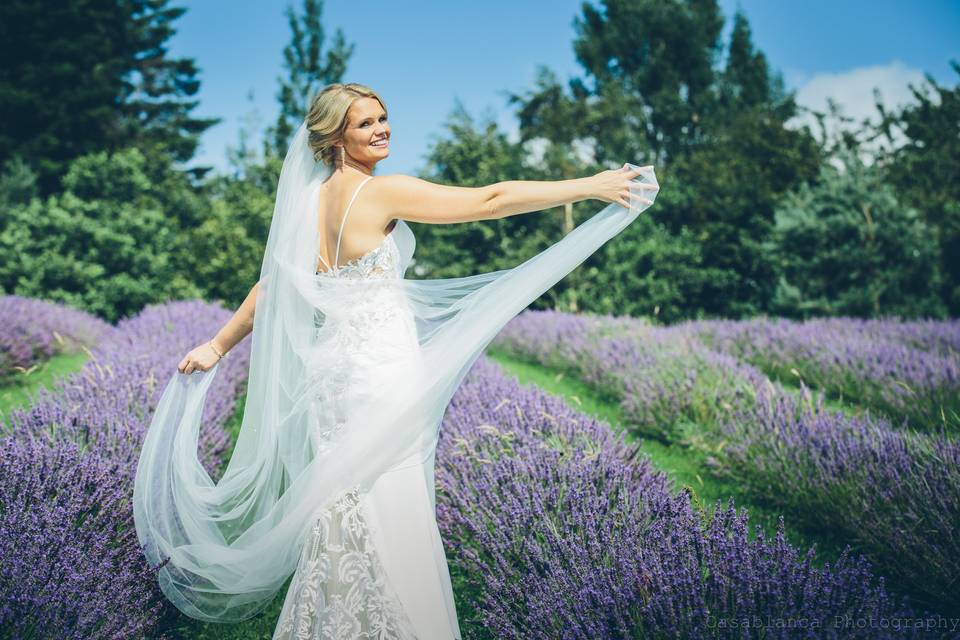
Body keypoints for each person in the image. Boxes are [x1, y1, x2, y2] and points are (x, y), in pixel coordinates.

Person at [133, 82, 659, 639]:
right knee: (394, 499)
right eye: (365, 123)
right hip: (382, 368)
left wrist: (218, 345)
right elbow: (490, 200)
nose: (382, 129)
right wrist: (590, 186)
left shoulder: (308, 206)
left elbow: (272, 287)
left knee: (346, 502)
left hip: (334, 376)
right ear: (336, 137)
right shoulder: (379, 194)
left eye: (383, 118)